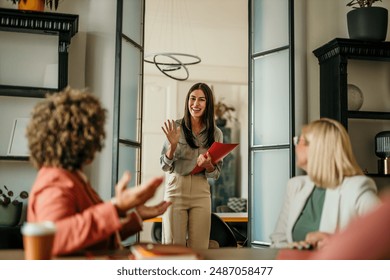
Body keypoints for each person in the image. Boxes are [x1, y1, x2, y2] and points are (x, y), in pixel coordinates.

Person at [26, 87, 171, 256]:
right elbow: (56, 238)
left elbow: (90, 235)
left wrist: (136, 216)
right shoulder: (55, 181)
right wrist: (116, 206)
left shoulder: (71, 176)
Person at [270, 118, 380, 249]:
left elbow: (383, 237)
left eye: (300, 140)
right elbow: (278, 241)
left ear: (317, 148)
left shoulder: (356, 188)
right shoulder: (295, 186)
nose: (296, 145)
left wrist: (336, 242)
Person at [160, 82, 223, 249]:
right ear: (187, 100)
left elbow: (215, 174)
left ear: (208, 104)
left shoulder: (216, 133)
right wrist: (171, 148)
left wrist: (209, 165)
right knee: (174, 248)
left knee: (200, 250)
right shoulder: (175, 127)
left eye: (201, 100)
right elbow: (164, 166)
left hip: (201, 191)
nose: (196, 104)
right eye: (192, 98)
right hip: (176, 188)